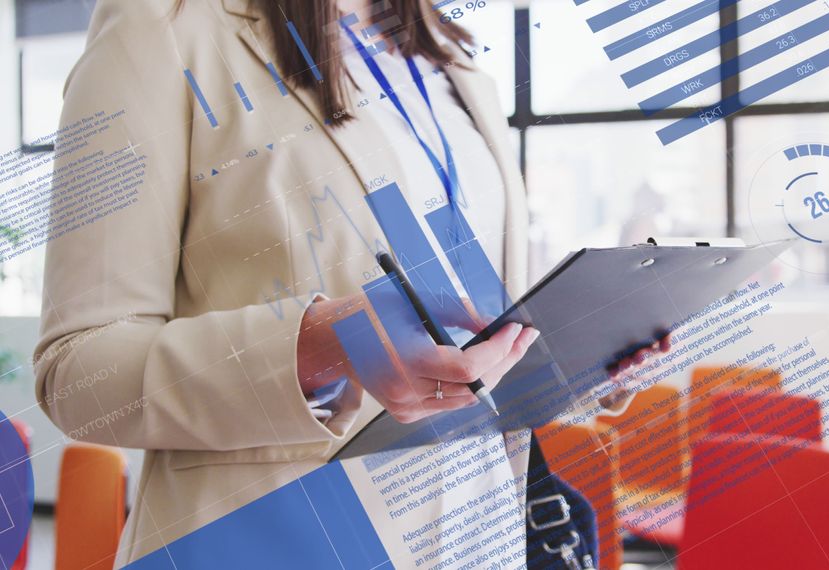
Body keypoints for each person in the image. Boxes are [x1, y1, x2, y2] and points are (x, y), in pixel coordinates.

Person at [33, 0, 666, 566]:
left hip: (480, 530)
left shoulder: (456, 65)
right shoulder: (163, 27)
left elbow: (468, 334)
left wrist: (579, 362)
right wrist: (320, 342)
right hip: (279, 537)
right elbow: (78, 372)